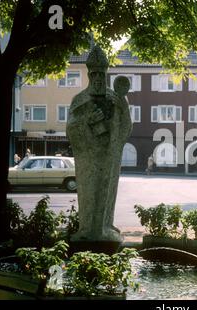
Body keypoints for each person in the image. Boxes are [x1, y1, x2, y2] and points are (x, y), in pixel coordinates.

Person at [67, 45, 132, 243]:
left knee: (107, 191)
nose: (97, 78)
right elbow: (71, 128)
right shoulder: (80, 99)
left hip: (109, 155)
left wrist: (123, 107)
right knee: (88, 192)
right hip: (88, 158)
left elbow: (126, 128)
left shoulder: (116, 98)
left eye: (101, 74)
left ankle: (104, 226)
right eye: (93, 73)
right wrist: (88, 120)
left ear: (106, 73)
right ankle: (86, 229)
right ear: (89, 74)